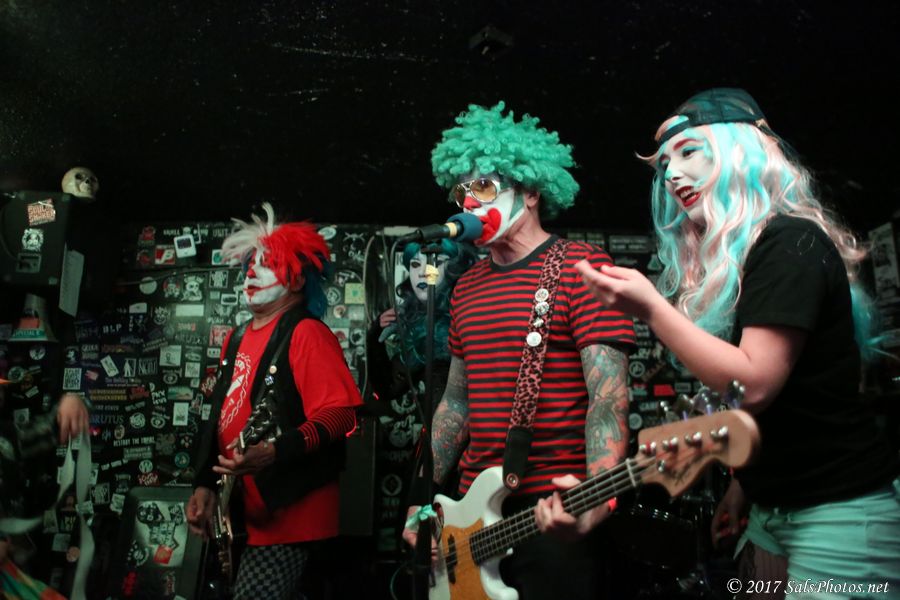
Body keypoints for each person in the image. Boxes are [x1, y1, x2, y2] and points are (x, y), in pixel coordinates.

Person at [576, 88, 900, 596]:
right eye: (665, 165)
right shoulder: (746, 262)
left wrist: (652, 310)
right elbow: (771, 408)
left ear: (739, 154)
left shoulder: (789, 241)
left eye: (689, 151)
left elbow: (753, 385)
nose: (672, 174)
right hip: (773, 510)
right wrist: (742, 487)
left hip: (838, 512)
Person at [402, 102, 635, 599]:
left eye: (483, 187)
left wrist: (598, 497)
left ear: (530, 192)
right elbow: (455, 405)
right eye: (461, 192)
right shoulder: (465, 289)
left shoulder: (582, 268)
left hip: (554, 510)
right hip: (471, 513)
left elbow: (608, 398)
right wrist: (419, 503)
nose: (468, 202)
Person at [186, 203, 363, 599]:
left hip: (293, 521)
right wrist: (205, 484)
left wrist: (276, 451)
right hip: (245, 516)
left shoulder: (307, 334)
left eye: (266, 265)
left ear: (297, 279)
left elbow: (341, 417)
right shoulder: (235, 338)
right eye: (250, 265)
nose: (251, 273)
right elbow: (219, 416)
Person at [367, 239, 478, 404]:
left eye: (436, 263)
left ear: (455, 269)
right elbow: (388, 388)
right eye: (415, 264)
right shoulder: (415, 323)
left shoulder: (471, 318)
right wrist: (375, 335)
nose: (422, 273)